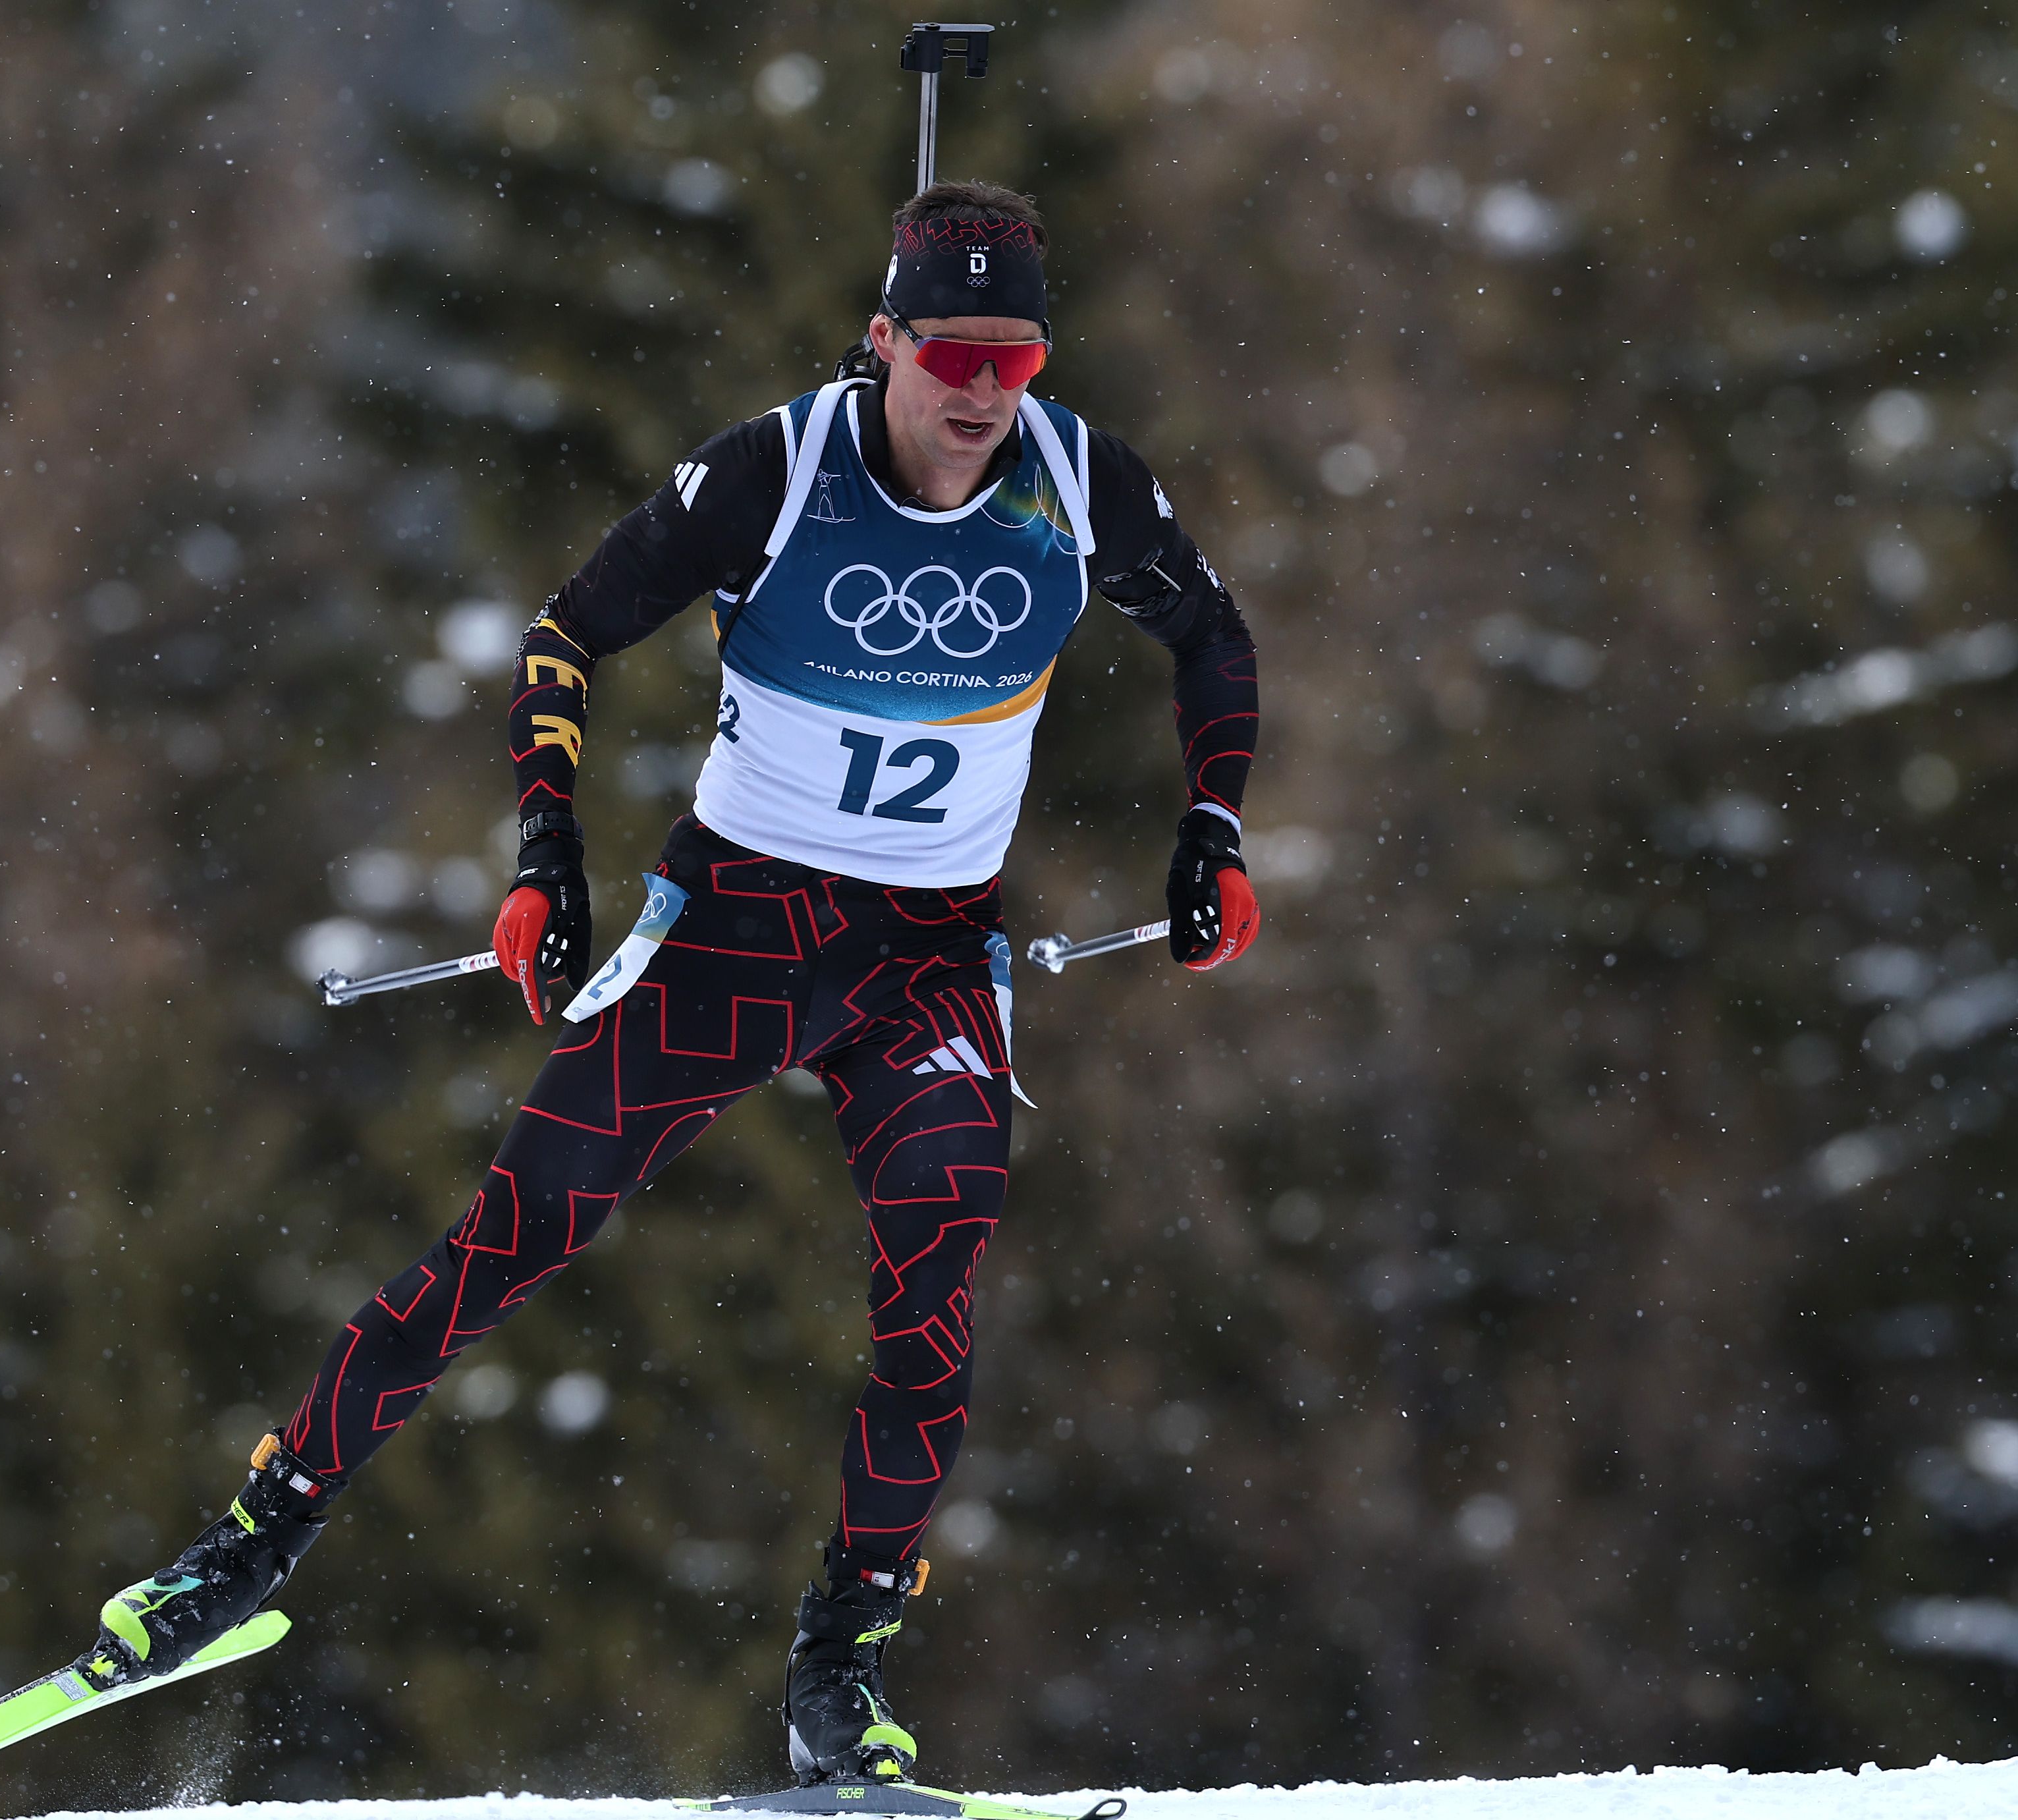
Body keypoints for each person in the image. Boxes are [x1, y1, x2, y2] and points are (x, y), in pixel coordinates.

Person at [82, 180, 1262, 1791]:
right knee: (513, 1232)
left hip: (924, 958)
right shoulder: (774, 468)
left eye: (1015, 356)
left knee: (934, 1294)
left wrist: (1210, 832)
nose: (983, 390)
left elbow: (1211, 637)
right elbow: (565, 634)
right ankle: (244, 1544)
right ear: (885, 342)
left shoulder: (1077, 481)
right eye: (951, 355)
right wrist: (544, 857)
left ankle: (839, 1673)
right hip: (737, 932)